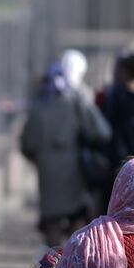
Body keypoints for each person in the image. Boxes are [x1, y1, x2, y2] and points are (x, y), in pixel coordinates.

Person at [21, 61, 112, 246]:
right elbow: (102, 131)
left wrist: (38, 157)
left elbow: (28, 142)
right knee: (76, 219)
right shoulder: (75, 101)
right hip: (74, 169)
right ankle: (75, 265)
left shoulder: (38, 106)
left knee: (52, 222)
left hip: (47, 171)